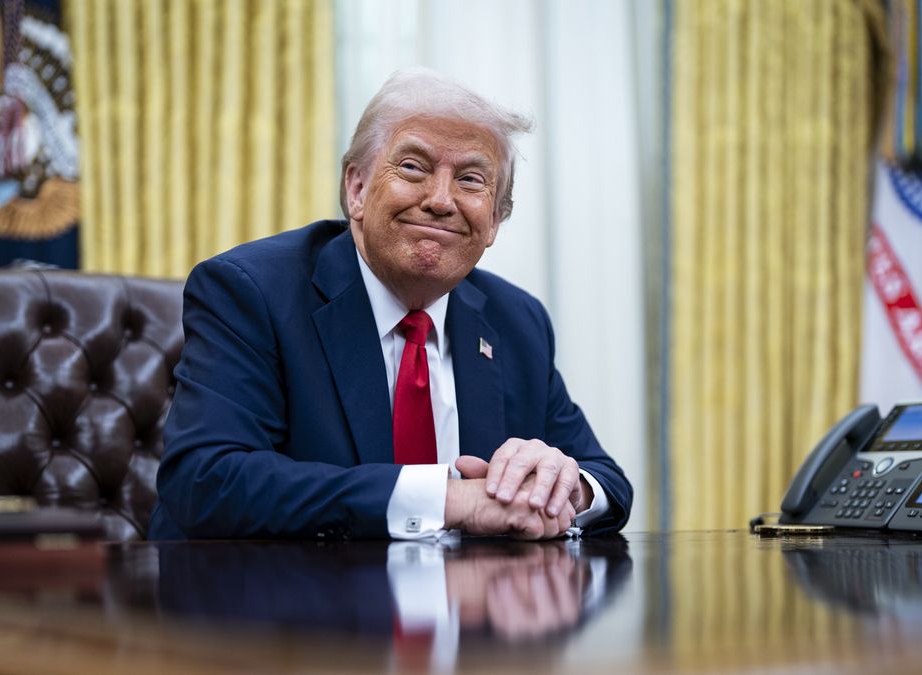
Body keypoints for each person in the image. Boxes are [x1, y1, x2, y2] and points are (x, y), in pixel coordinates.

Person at [149, 68, 632, 541]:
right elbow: (206, 480)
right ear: (356, 189)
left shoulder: (516, 320)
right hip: (280, 610)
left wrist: (563, 488)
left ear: (493, 223)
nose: (441, 200)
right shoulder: (252, 292)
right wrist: (449, 500)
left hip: (471, 612)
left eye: (470, 180)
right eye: (413, 167)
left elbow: (607, 481)